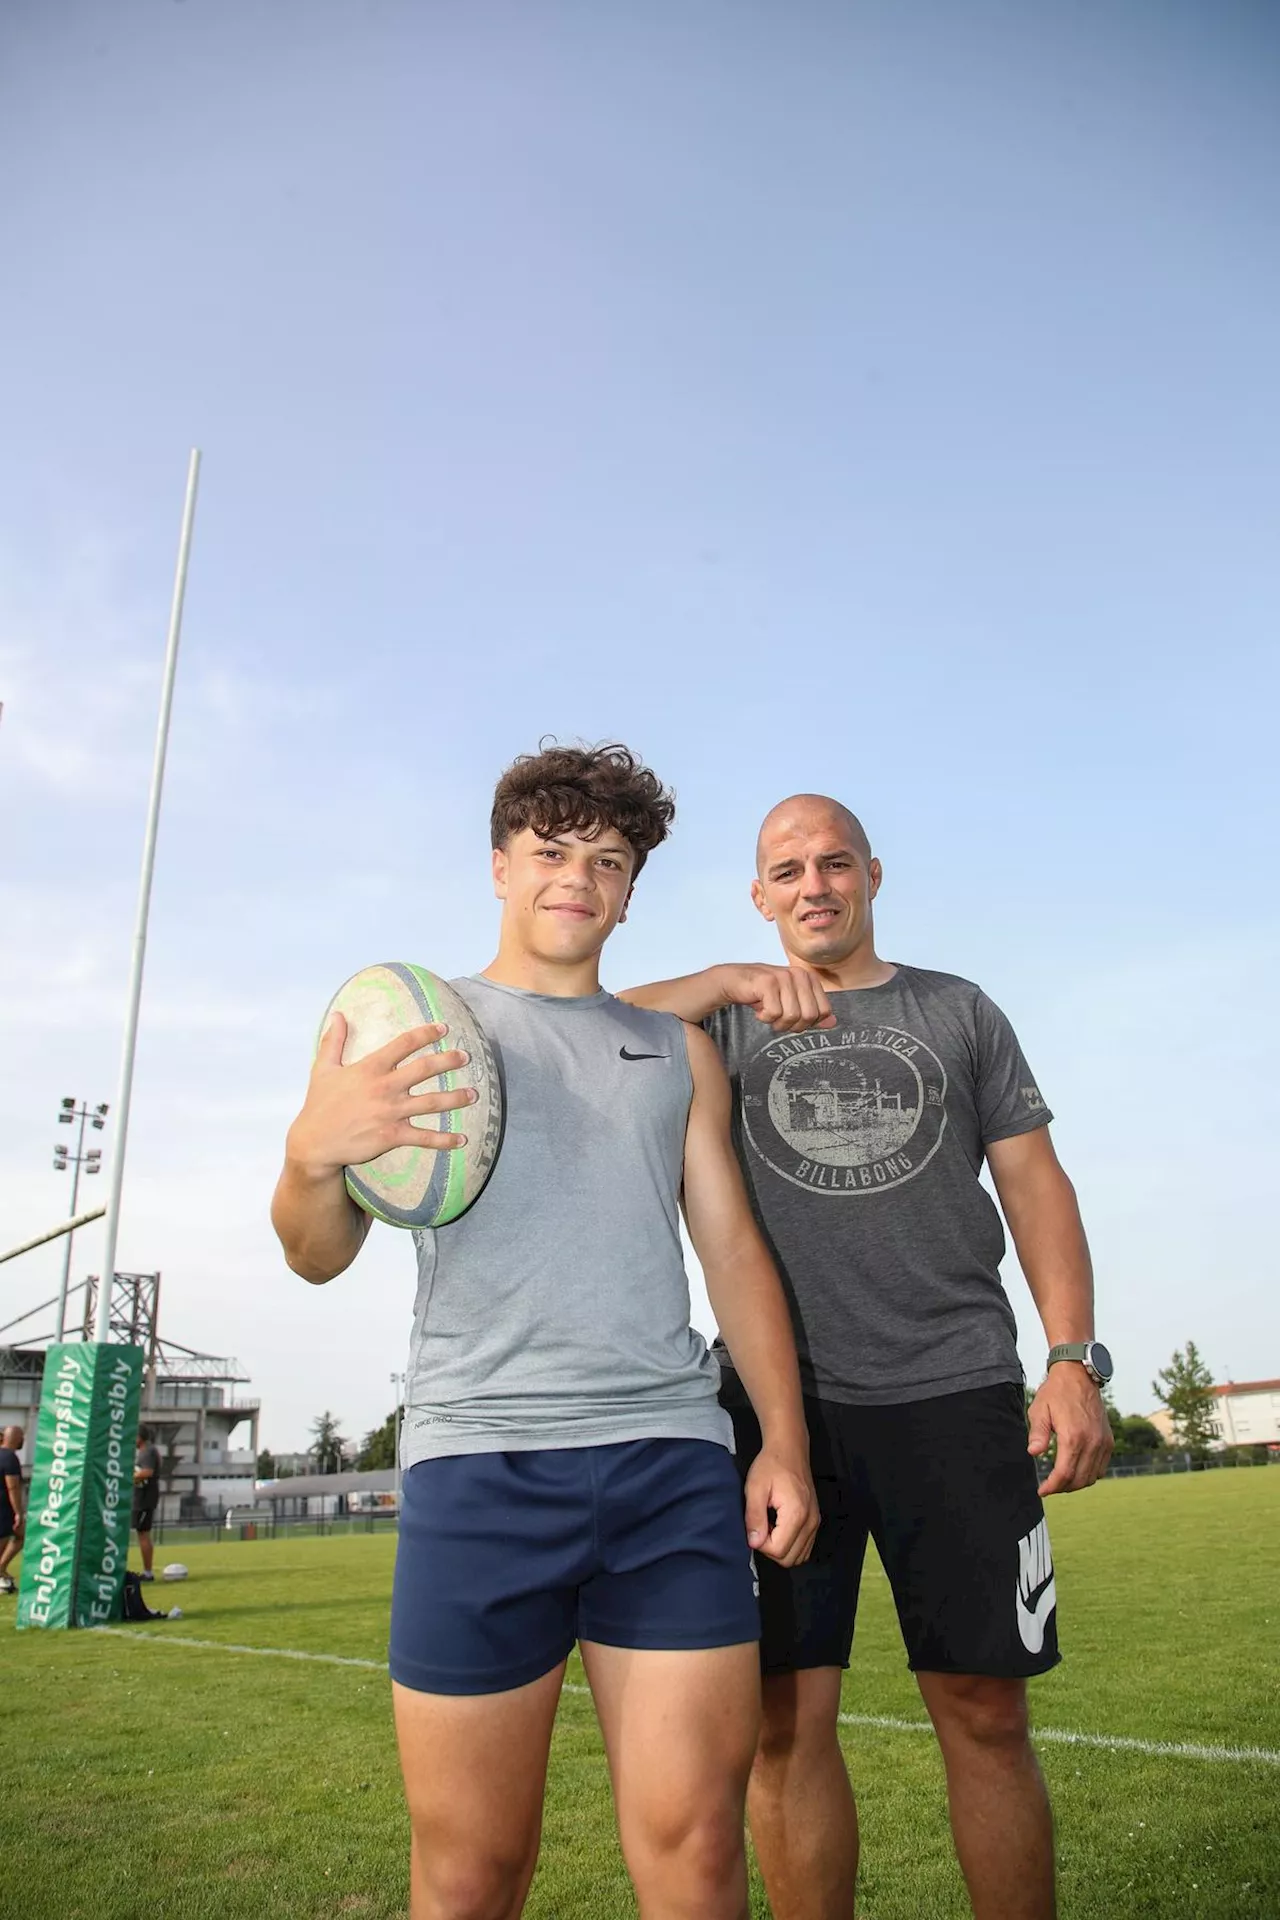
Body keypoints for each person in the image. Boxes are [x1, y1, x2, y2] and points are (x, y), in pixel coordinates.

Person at [271, 744, 818, 1920]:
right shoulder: (414, 1029)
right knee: (472, 1876)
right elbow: (314, 1254)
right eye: (552, 850)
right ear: (499, 866)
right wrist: (311, 1151)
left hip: (668, 1468)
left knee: (696, 1856)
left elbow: (730, 1255)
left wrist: (780, 1441)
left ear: (629, 893)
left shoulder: (677, 1054)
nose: (578, 877)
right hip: (480, 1468)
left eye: (607, 860)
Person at [624, 793, 1114, 1920]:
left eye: (833, 863)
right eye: (786, 870)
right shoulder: (717, 1027)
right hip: (773, 1413)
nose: (813, 885)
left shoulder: (956, 1009)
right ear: (759, 897)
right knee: (782, 1727)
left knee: (984, 1710)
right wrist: (717, 981)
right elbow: (570, 1015)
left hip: (953, 1393)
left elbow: (1035, 1181)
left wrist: (1071, 1356)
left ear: (872, 876)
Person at [132, 1424, 162, 1579]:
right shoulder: (144, 1452)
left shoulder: (148, 1451)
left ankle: (148, 1572)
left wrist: (128, 1478)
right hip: (139, 1498)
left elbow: (147, 1472)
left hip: (144, 1499)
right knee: (141, 1533)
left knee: (143, 1533)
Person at [0, 1425, 25, 1595]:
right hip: (4, 1507)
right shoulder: (10, 1458)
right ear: (15, 1438)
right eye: (22, 1436)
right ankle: (1, 1570)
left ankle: (1, 1571)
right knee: (19, 1535)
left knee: (19, 1535)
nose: (23, 1439)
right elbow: (13, 1487)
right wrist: (18, 1512)